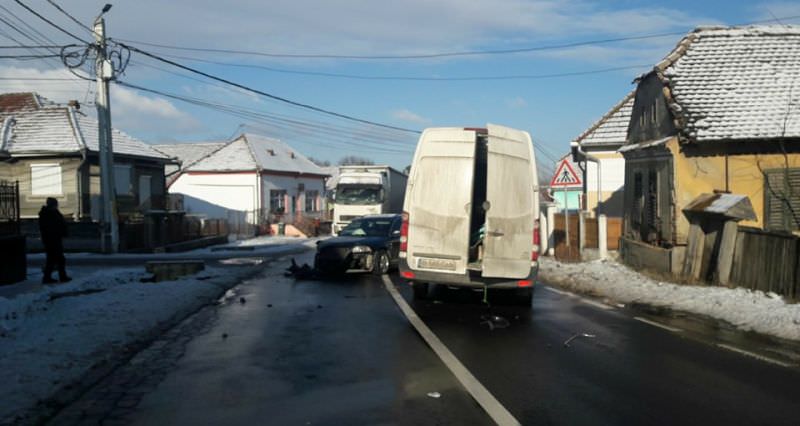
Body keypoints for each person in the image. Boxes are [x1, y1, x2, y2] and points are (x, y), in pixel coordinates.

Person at [38, 197, 71, 284]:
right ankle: (57, 277)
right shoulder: (47, 214)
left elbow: (59, 223)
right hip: (51, 240)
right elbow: (51, 227)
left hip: (55, 239)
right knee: (56, 259)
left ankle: (51, 277)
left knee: (54, 259)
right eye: (55, 204)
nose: (57, 206)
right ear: (52, 205)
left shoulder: (52, 212)